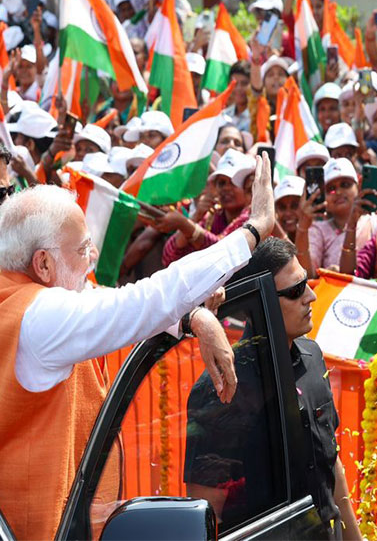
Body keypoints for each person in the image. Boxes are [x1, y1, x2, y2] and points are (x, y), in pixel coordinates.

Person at [0, 152, 274, 541]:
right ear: (43, 264)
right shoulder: (38, 316)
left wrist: (193, 317)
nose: (92, 258)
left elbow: (112, 299)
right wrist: (254, 231)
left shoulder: (16, 294)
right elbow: (143, 300)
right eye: (82, 250)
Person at [185, 238, 361, 539]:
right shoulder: (223, 384)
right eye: (295, 291)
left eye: (306, 283)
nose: (310, 297)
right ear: (259, 302)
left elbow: (331, 465)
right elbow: (206, 507)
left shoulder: (312, 358)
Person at [159, 150, 256, 265]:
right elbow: (169, 257)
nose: (226, 188)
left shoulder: (253, 216)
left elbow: (223, 253)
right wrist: (196, 216)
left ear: (248, 186)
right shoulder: (212, 216)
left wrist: (184, 224)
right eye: (221, 183)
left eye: (234, 182)